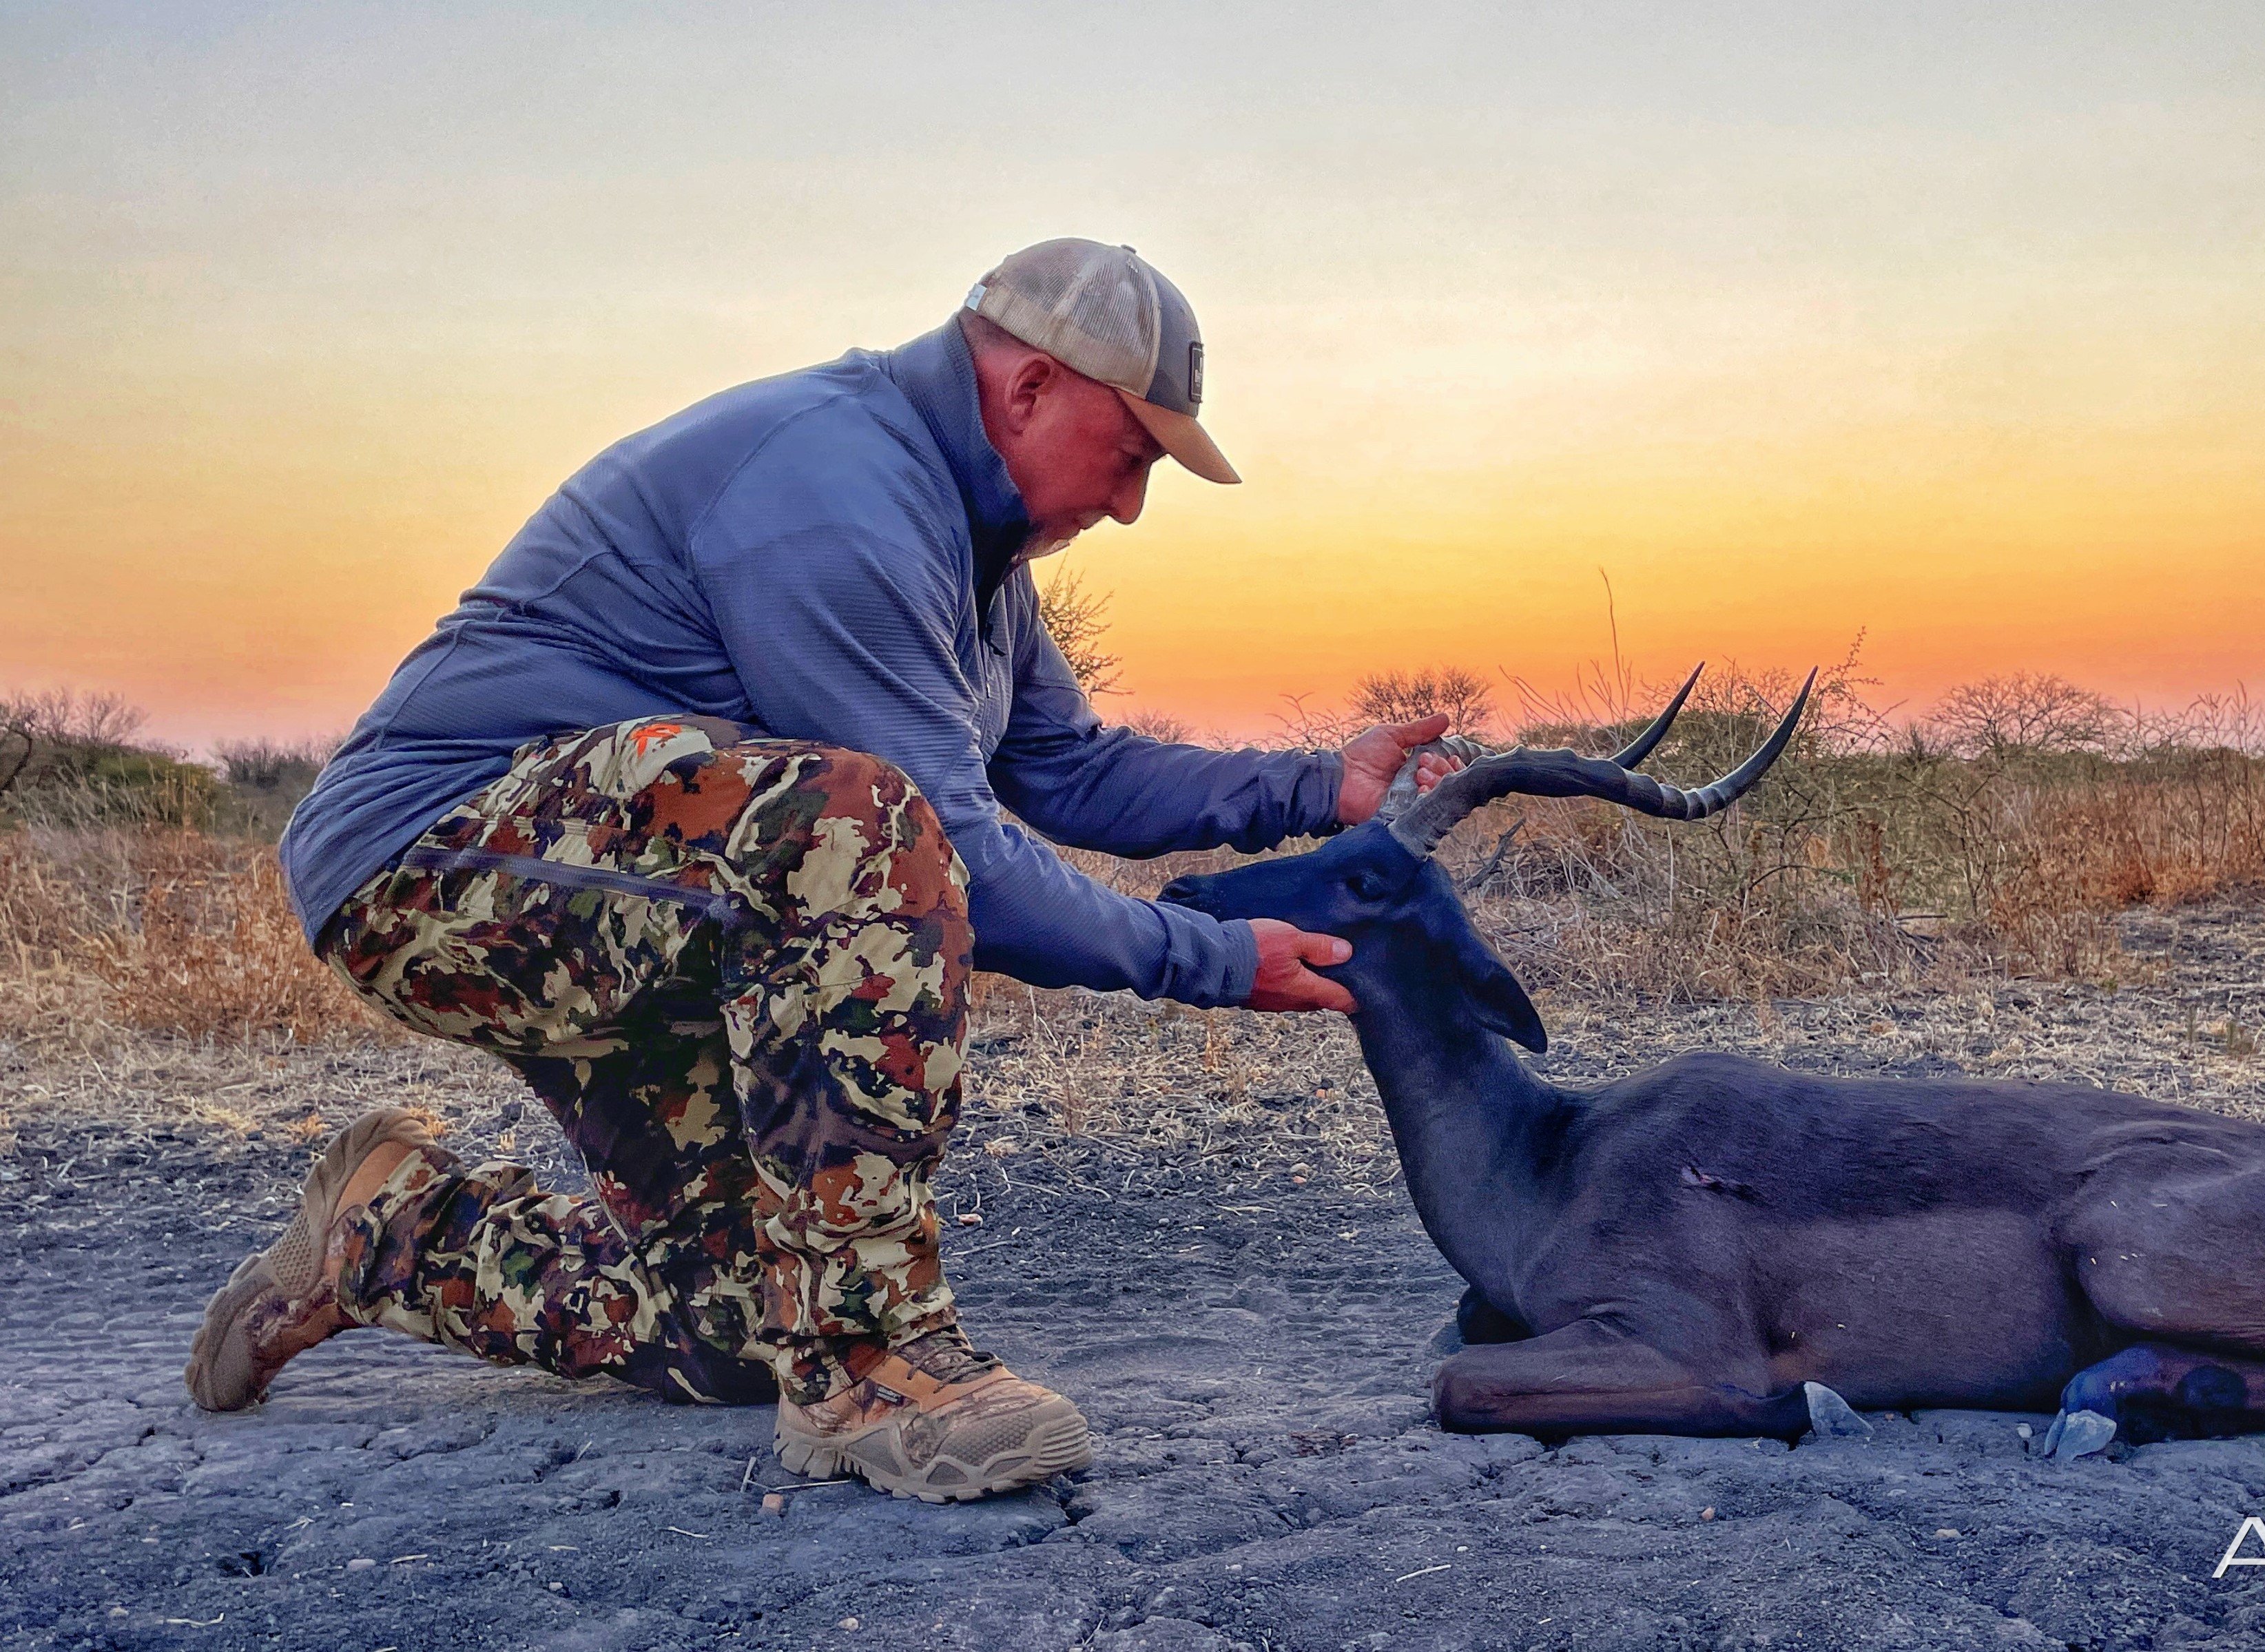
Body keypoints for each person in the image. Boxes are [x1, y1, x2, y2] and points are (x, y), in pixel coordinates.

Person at [186, 238, 1461, 1505]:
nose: (1131, 503)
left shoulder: (980, 554)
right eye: (1131, 455)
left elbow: (1068, 769)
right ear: (1027, 389)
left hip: (647, 890)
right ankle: (871, 1360)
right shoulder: (837, 490)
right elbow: (952, 850)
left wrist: (1320, 788)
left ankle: (385, 1235)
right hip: (429, 863)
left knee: (739, 1326)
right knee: (856, 819)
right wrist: (1214, 961)